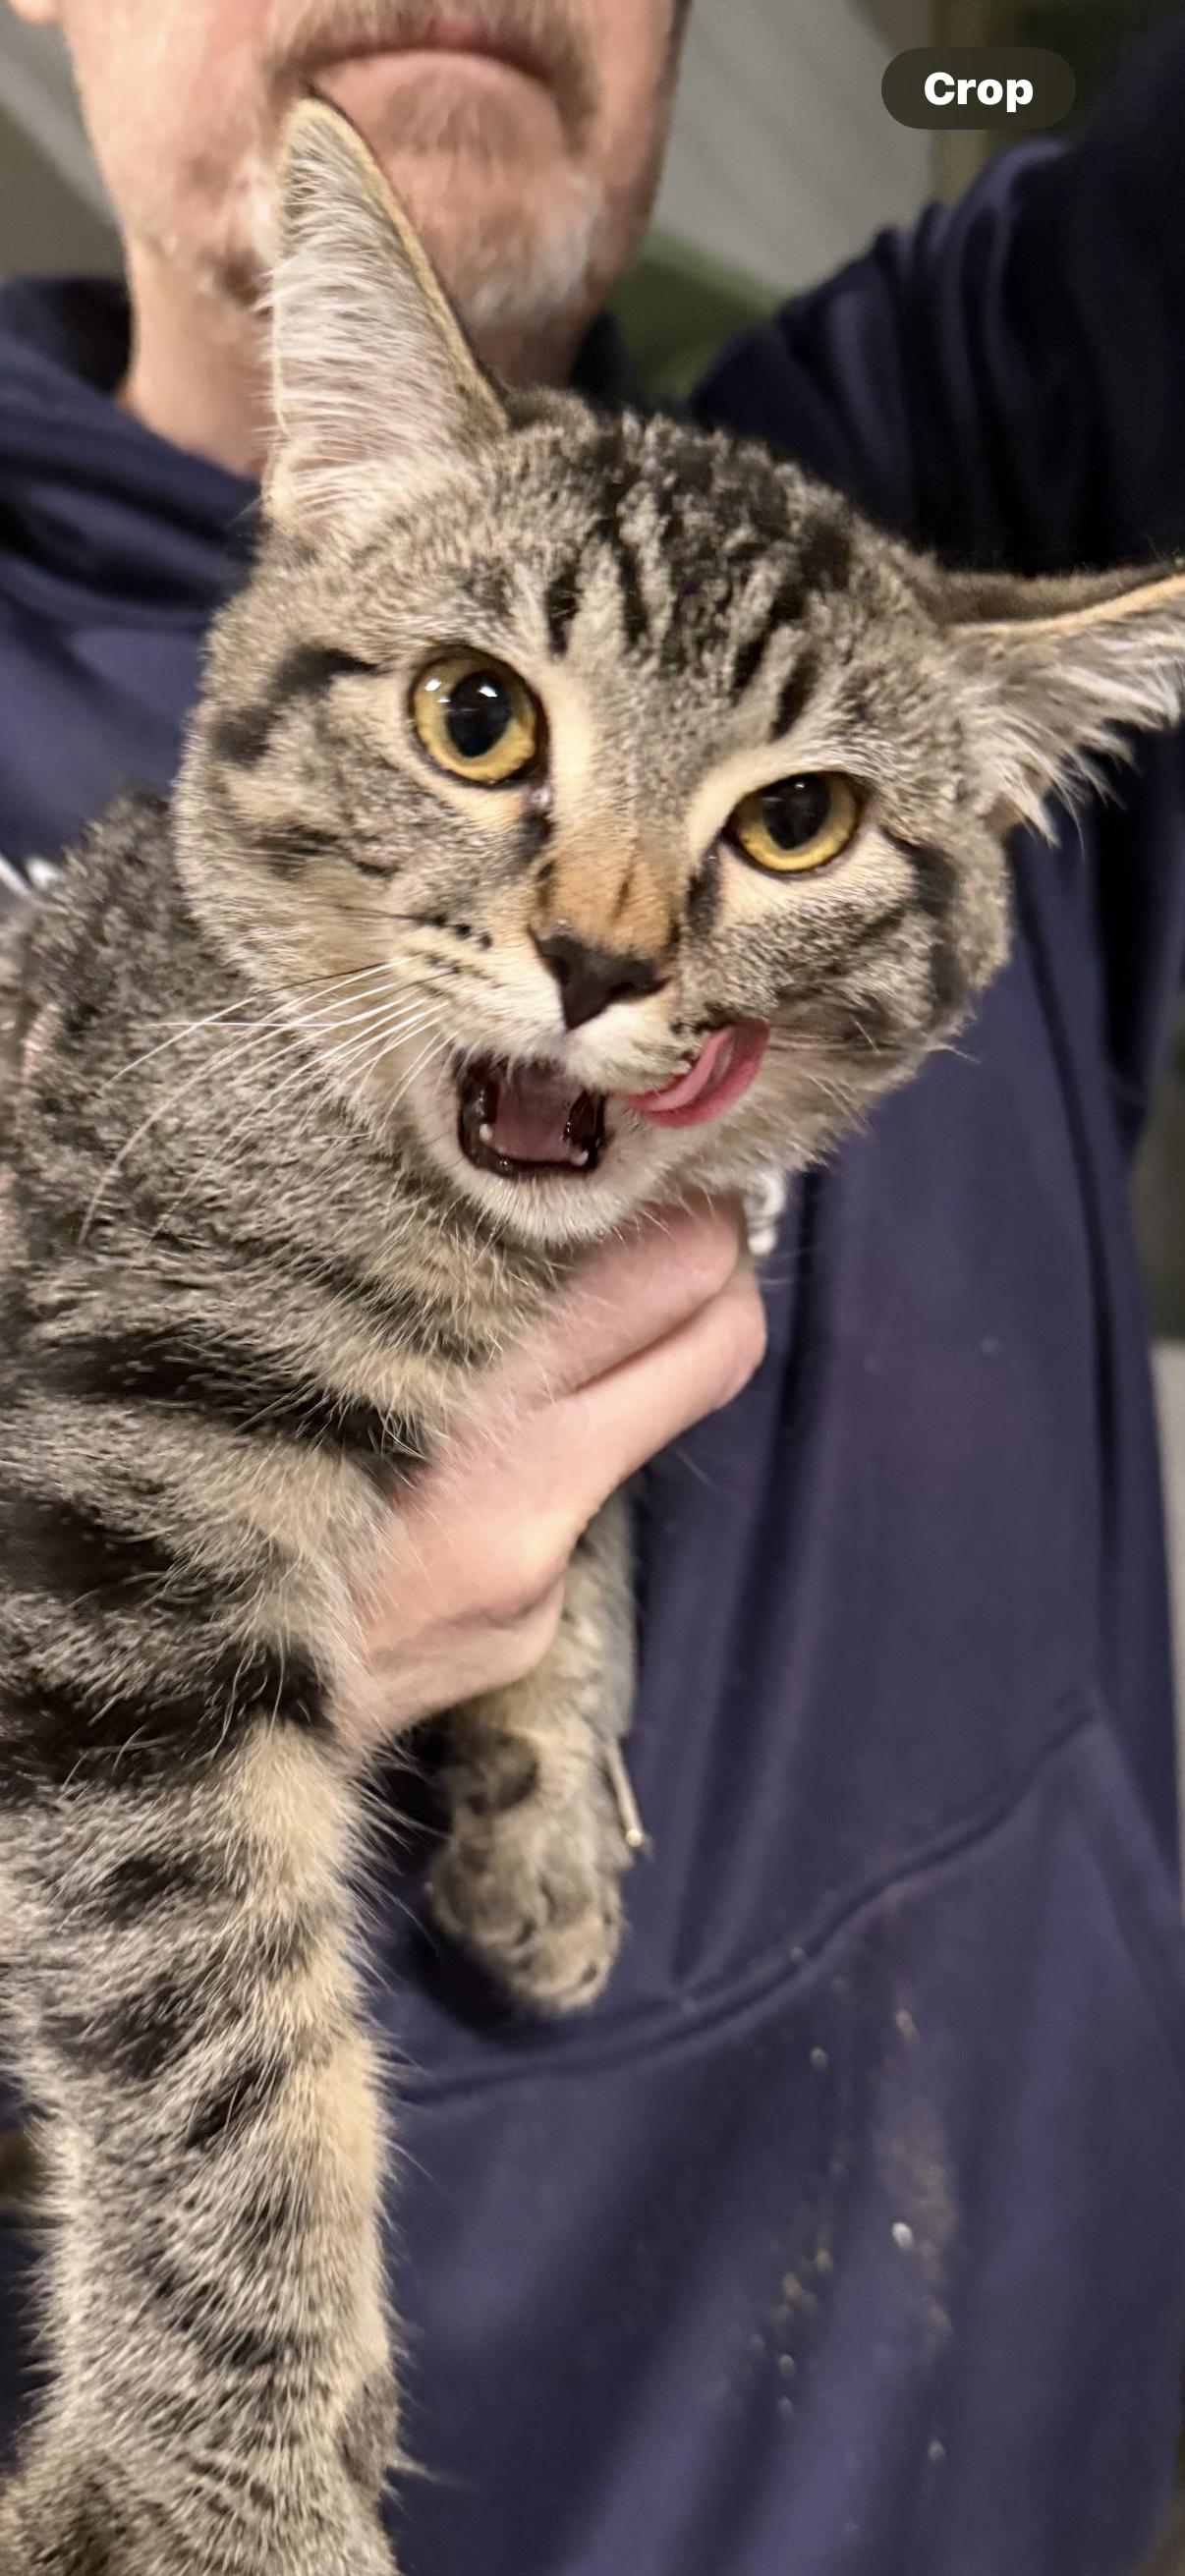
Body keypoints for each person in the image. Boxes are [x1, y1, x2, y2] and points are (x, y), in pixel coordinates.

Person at [1, 1, 1185, 2569]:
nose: (608, 939)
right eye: (474, 713)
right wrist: (176, 1657)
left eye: (774, 818)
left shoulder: (951, 458)